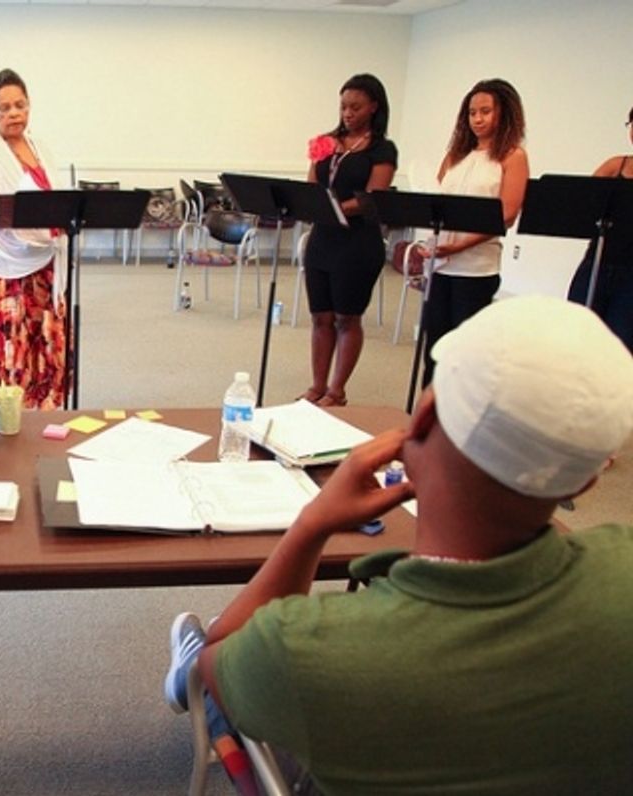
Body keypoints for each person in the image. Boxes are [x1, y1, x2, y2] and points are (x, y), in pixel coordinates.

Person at [164, 296, 633, 794]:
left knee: (214, 667)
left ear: (424, 416)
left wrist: (312, 526)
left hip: (286, 685)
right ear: (582, 485)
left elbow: (216, 666)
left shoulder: (303, 648)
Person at [0, 68, 68, 410]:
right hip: (3, 266)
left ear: (29, 107)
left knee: (42, 339)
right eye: (5, 108)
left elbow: (56, 193)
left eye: (20, 106)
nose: (13, 114)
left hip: (44, 260)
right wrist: (15, 212)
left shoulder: (42, 148)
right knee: (11, 342)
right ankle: (9, 412)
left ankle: (42, 407)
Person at [418, 78, 529, 385]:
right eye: (472, 113)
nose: (477, 119)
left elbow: (505, 214)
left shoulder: (512, 156)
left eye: (485, 111)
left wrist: (459, 247)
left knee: (462, 351)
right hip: (441, 265)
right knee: (434, 348)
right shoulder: (456, 154)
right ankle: (426, 418)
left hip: (477, 268)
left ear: (503, 114)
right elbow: (435, 201)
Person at [301, 74, 398, 407]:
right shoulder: (325, 141)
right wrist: (315, 203)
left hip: (357, 243)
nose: (348, 113)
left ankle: (336, 390)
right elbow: (313, 182)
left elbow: (373, 196)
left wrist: (332, 208)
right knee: (320, 316)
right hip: (322, 240)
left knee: (347, 317)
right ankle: (316, 386)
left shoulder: (382, 149)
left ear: (374, 107)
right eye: (343, 106)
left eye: (355, 107)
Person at [568, 103, 633, 352]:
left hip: (631, 274)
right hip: (597, 263)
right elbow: (580, 205)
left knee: (620, 344)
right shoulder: (615, 165)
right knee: (578, 333)